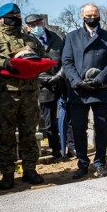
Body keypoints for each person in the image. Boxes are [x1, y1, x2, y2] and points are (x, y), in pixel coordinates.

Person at [0, 3, 47, 189]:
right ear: (0, 19)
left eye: (18, 16)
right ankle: (7, 173)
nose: (15, 19)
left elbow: (42, 56)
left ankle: (30, 169)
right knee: (5, 135)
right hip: (4, 95)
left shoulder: (29, 39)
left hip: (29, 94)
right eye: (11, 17)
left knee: (29, 134)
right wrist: (4, 63)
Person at [62, 3, 107, 179]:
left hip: (100, 89)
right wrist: (78, 82)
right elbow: (67, 61)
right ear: (82, 16)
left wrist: (100, 79)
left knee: (101, 128)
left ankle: (100, 162)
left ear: (99, 15)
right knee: (79, 128)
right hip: (79, 90)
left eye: (95, 14)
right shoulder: (72, 37)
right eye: (88, 14)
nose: (92, 17)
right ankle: (82, 163)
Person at [25, 14, 65, 159]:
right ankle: (56, 149)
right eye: (32, 25)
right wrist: (47, 79)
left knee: (70, 117)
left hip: (62, 80)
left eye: (38, 23)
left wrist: (59, 75)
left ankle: (71, 147)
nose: (36, 27)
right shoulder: (26, 41)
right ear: (28, 27)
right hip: (43, 85)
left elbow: (67, 57)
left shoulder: (58, 37)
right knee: (49, 121)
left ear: (43, 23)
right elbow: (28, 64)